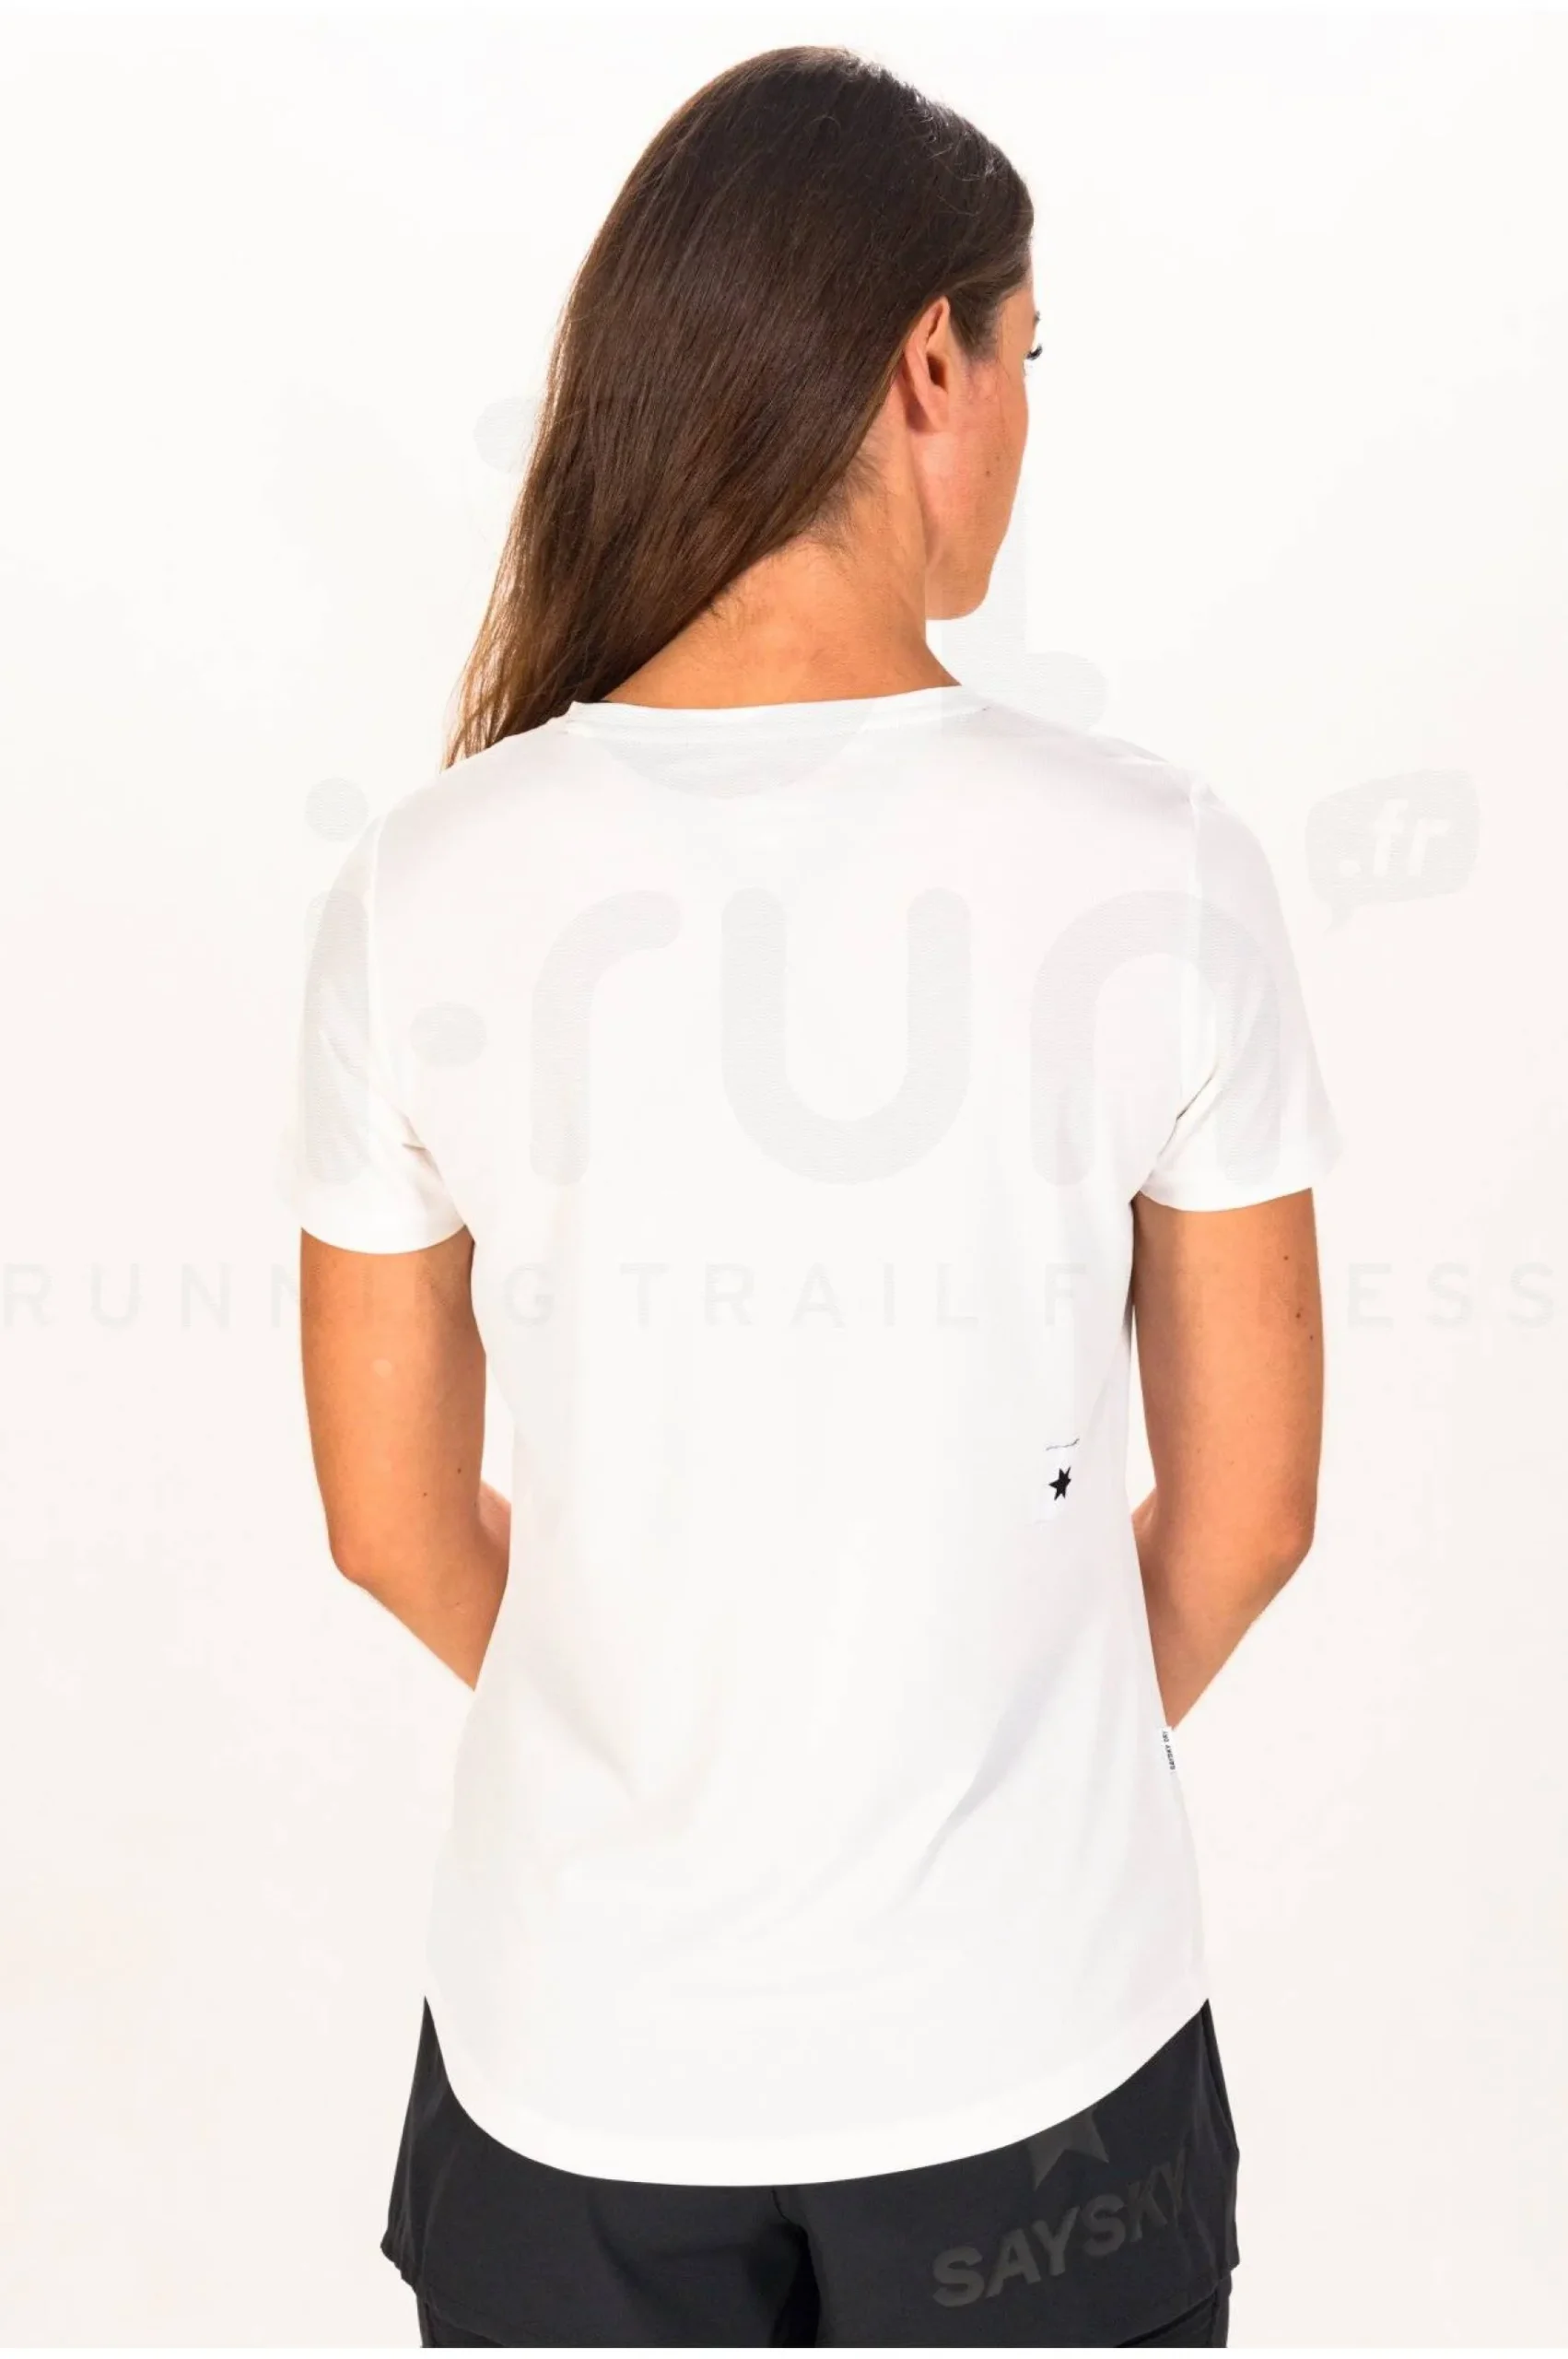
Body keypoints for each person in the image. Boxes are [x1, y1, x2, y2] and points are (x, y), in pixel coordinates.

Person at [292, 43, 1340, 2349]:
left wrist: (687, 1734)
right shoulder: (1153, 864)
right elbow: (1248, 1511)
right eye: (1027, 354)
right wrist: (997, 1739)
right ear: (923, 366)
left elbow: (386, 1522)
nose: (1026, 418)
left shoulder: (422, 883)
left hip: (573, 2071)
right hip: (1040, 2061)